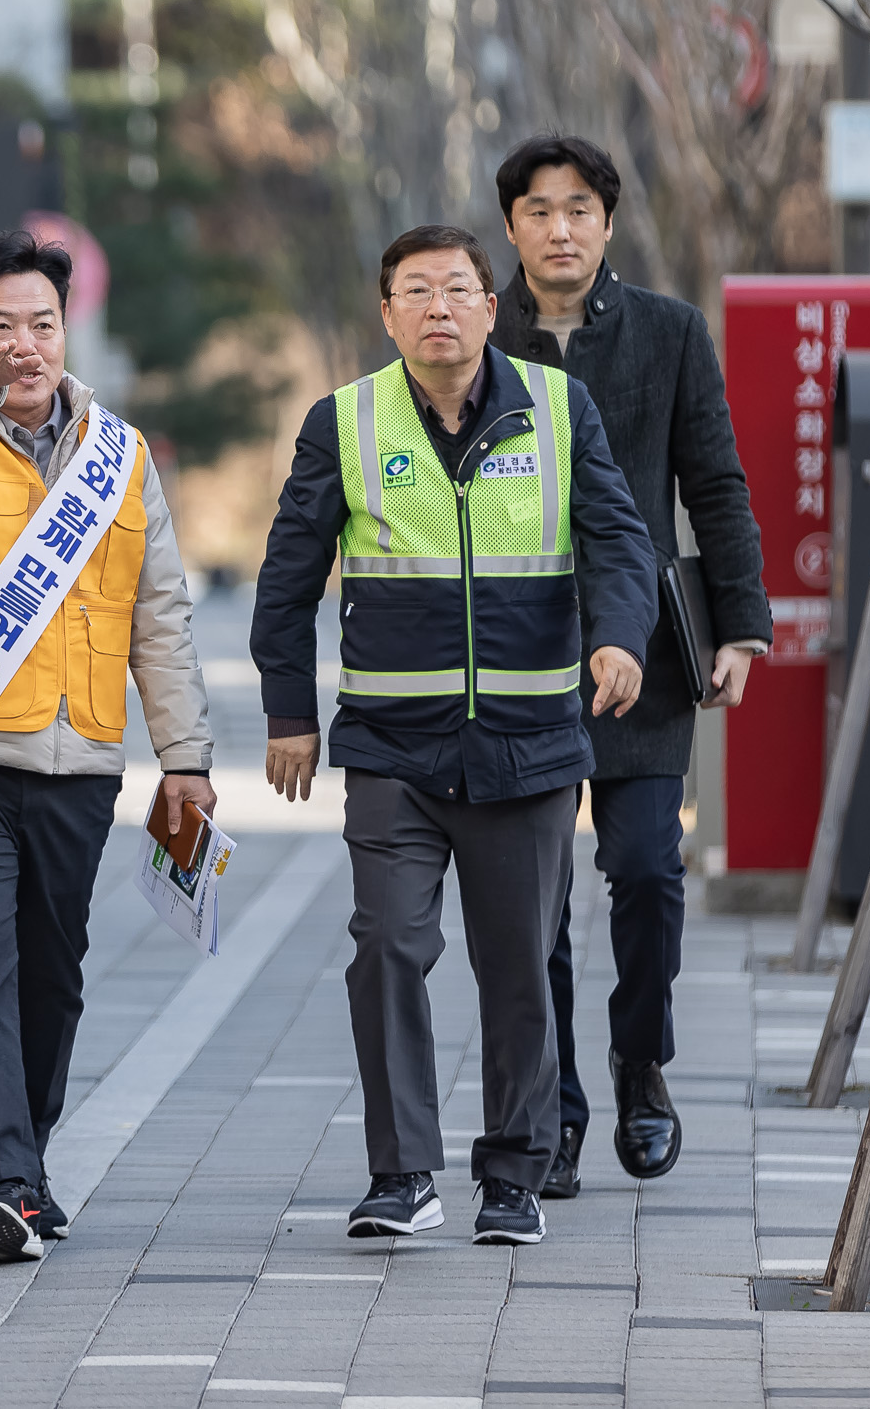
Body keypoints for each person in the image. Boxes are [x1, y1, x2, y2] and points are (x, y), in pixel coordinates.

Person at [251, 224, 655, 1247]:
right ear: (386, 314)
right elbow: (287, 576)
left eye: (459, 288)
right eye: (416, 290)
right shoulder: (342, 421)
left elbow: (617, 540)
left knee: (518, 963)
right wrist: (291, 713)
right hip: (394, 747)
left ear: (492, 304)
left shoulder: (558, 409)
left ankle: (513, 1174)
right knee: (385, 944)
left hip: (529, 749)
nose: (440, 306)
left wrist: (618, 640)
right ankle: (401, 1172)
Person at [0, 228, 214, 1264]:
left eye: (40, 322)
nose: (23, 343)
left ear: (66, 329)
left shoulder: (118, 455)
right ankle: (1, 1183)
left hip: (81, 765)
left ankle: (24, 1163)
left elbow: (158, 611)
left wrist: (187, 755)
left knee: (52, 974)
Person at [489, 136, 771, 1198]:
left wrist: (739, 624)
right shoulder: (479, 335)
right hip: (512, 657)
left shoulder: (667, 332)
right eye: (537, 211)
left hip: (643, 654)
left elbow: (716, 480)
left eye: (578, 210)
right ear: (509, 225)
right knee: (534, 896)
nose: (559, 229)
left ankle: (637, 1061)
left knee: (648, 867)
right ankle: (550, 1109)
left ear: (607, 223)